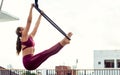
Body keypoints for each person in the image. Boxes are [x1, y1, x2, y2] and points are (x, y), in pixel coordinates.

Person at [16, 4, 72, 70]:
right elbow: (29, 22)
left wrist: (40, 15)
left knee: (48, 53)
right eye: (22, 28)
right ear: (20, 31)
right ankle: (64, 42)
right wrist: (31, 8)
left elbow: (36, 26)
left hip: (32, 61)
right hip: (28, 62)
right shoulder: (23, 37)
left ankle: (64, 42)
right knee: (47, 52)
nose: (24, 27)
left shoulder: (30, 36)